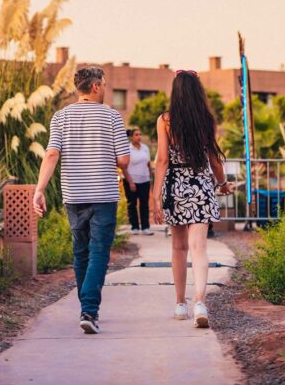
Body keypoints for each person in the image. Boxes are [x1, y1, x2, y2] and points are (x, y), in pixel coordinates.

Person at [33, 66, 130, 335]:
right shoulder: (112, 116)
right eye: (105, 84)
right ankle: (89, 310)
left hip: (74, 195)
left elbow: (52, 154)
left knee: (81, 252)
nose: (106, 88)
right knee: (99, 252)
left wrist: (39, 190)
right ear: (96, 86)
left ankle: (86, 308)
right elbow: (124, 160)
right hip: (104, 195)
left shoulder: (60, 117)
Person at [152, 70, 232, 328]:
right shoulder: (206, 120)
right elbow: (214, 160)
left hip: (175, 186)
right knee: (199, 248)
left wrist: (156, 195)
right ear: (198, 91)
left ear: (175, 91)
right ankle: (199, 303)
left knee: (178, 248)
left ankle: (180, 304)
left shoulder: (165, 120)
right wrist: (222, 184)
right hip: (200, 185)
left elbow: (162, 160)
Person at [123, 127, 153, 234]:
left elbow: (148, 164)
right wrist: (130, 182)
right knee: (132, 204)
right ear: (131, 137)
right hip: (131, 181)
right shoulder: (127, 149)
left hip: (144, 180)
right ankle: (134, 227)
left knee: (144, 204)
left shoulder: (145, 148)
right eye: (136, 135)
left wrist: (150, 177)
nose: (139, 137)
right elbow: (124, 167)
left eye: (140, 134)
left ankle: (145, 227)